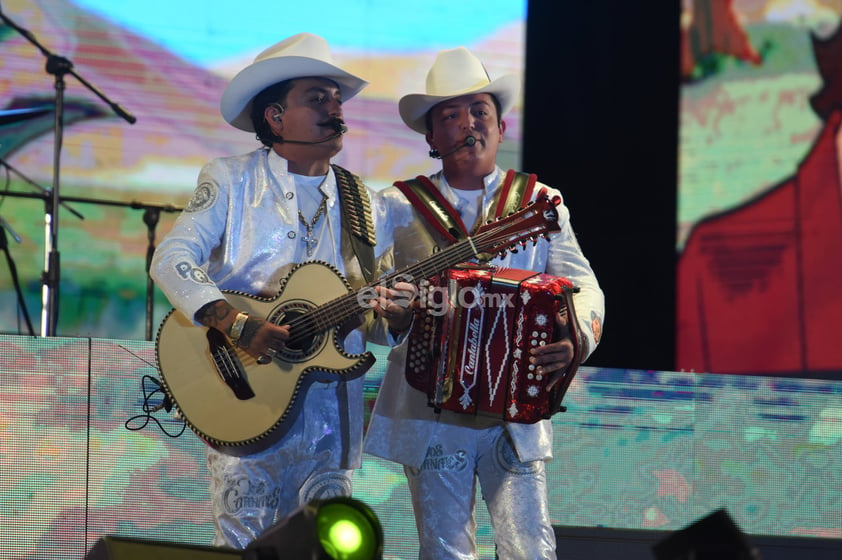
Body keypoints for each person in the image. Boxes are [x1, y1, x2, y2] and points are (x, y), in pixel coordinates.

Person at [150, 32, 402, 549]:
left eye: (337, 97)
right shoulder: (230, 179)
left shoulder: (368, 205)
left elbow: (375, 324)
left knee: (328, 548)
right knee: (243, 544)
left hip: (333, 418)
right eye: (317, 97)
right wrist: (236, 323)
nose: (335, 107)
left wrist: (392, 315)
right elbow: (170, 260)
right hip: (244, 398)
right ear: (274, 116)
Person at [364, 47, 605, 559]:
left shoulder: (541, 202)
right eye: (450, 115)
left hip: (514, 412)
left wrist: (573, 338)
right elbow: (366, 294)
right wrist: (395, 314)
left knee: (531, 549)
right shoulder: (396, 205)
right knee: (445, 549)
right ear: (430, 137)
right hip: (430, 409)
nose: (468, 124)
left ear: (500, 126)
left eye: (479, 112)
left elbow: (584, 287)